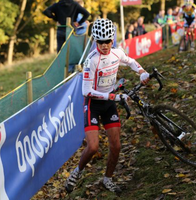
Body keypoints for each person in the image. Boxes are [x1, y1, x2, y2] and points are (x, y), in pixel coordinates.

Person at [65, 18, 150, 194]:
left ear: (112, 39)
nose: (104, 45)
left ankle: (107, 179)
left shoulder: (116, 53)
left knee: (116, 146)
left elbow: (131, 61)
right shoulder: (91, 60)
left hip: (110, 102)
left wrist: (141, 71)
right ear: (95, 40)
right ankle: (77, 171)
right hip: (94, 104)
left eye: (107, 41)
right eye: (100, 41)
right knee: (93, 147)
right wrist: (112, 96)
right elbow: (86, 91)